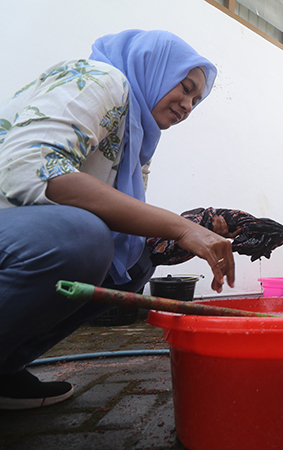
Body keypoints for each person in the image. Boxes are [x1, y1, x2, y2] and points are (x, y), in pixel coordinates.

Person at [0, 30, 236, 410]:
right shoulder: (102, 79)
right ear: (152, 66)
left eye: (197, 100)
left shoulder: (138, 138)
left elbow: (127, 224)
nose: (189, 105)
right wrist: (181, 227)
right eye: (186, 86)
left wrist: (193, 230)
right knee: (82, 237)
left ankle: (6, 366)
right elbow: (29, 169)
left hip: (22, 236)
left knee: (133, 263)